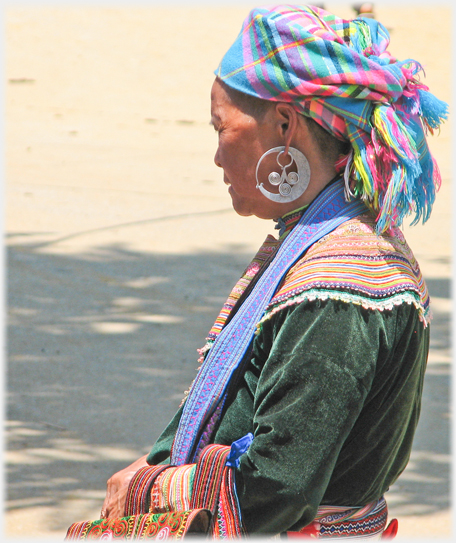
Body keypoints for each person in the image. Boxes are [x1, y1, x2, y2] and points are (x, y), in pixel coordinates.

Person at [66, 4, 448, 539]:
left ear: (285, 125)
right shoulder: (318, 244)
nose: (217, 157)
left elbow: (277, 488)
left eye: (222, 128)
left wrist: (149, 490)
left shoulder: (338, 290)